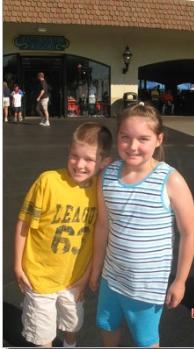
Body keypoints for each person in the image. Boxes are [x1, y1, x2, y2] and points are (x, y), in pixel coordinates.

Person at [90, 102, 194, 347]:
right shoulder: (107, 176)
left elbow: (189, 233)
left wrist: (180, 280)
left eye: (143, 139)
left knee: (145, 340)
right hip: (112, 278)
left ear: (159, 139)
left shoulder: (171, 180)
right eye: (125, 138)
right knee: (107, 325)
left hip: (146, 286)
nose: (133, 146)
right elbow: (103, 225)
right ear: (117, 137)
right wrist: (96, 268)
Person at [14, 122, 113, 347]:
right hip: (39, 277)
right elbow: (24, 223)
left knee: (72, 324)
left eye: (89, 159)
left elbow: (96, 240)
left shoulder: (100, 191)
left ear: (104, 162)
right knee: (43, 336)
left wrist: (86, 276)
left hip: (74, 279)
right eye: (74, 156)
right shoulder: (48, 182)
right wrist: (18, 265)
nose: (79, 164)